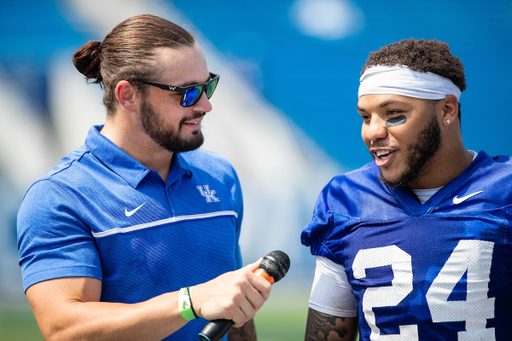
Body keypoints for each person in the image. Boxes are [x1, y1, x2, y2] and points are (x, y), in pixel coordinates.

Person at [17, 14, 272, 341]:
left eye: (208, 85)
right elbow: (64, 328)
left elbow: (232, 306)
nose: (206, 105)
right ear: (128, 96)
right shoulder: (58, 196)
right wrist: (188, 302)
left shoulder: (220, 176)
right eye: (187, 92)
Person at [301, 38, 512, 341]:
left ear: (447, 110)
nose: (373, 131)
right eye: (366, 117)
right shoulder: (344, 200)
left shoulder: (505, 191)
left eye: (393, 114)